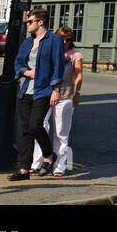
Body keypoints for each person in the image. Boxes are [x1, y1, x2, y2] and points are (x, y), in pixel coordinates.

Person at [9, 9, 65, 181]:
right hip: (26, 89)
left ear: (40, 22)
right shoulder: (27, 43)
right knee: (25, 131)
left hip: (44, 89)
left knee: (35, 125)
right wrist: (26, 72)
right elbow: (18, 63)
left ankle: (49, 154)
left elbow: (58, 66)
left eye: (30, 21)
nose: (27, 24)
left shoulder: (54, 40)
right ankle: (25, 170)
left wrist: (56, 90)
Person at [32, 26, 82, 177]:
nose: (65, 42)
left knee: (61, 133)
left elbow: (78, 75)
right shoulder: (51, 50)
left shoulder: (75, 54)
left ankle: (59, 167)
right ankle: (37, 162)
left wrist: (77, 93)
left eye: (68, 40)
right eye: (62, 39)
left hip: (65, 96)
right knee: (40, 127)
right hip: (46, 94)